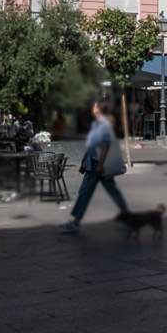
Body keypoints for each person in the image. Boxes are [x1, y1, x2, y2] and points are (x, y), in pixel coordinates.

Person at [59, 98, 131, 233]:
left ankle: (75, 222)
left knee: (85, 193)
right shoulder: (97, 124)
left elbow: (105, 145)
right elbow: (91, 145)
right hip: (93, 163)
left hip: (97, 165)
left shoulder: (103, 124)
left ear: (99, 109)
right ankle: (128, 218)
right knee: (111, 191)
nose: (92, 108)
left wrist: (100, 164)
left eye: (94, 106)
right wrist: (84, 161)